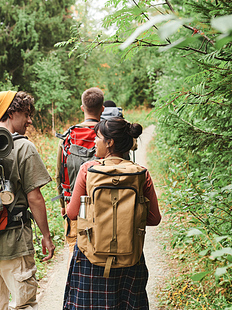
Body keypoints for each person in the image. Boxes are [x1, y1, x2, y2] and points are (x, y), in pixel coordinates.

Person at [63, 117, 161, 310]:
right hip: (130, 257)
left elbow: (72, 213)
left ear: (110, 142)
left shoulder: (87, 170)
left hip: (91, 258)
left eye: (97, 137)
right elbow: (154, 219)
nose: (94, 142)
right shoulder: (141, 174)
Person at [0, 90, 55, 310]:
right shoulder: (23, 147)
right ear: (10, 113)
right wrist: (46, 236)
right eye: (26, 114)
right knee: (24, 305)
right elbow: (35, 198)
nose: (29, 120)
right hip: (14, 243)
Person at [55, 87, 104, 259]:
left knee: (74, 252)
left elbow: (59, 174)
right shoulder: (107, 135)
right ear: (102, 108)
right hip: (104, 206)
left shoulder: (69, 136)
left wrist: (63, 205)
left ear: (82, 108)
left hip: (73, 206)